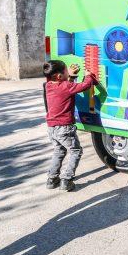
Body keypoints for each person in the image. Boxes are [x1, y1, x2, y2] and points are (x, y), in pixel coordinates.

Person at [43, 60, 97, 192]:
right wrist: (88, 75)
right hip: (64, 127)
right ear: (59, 76)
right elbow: (85, 85)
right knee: (76, 151)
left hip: (52, 127)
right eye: (66, 71)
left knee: (59, 151)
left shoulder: (48, 85)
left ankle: (52, 179)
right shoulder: (66, 86)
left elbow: (66, 89)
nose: (69, 72)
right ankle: (66, 180)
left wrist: (71, 77)